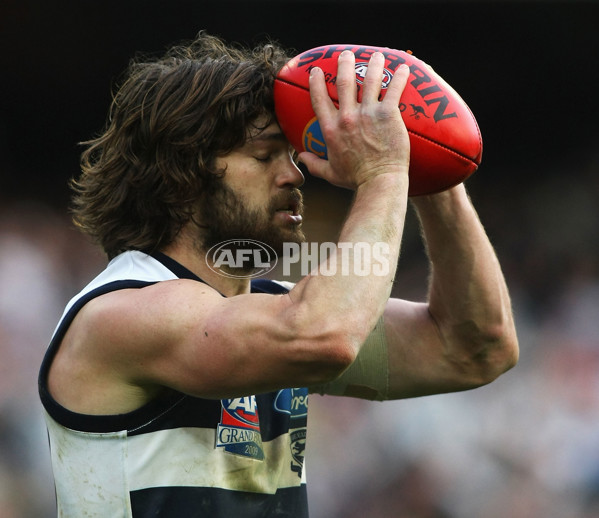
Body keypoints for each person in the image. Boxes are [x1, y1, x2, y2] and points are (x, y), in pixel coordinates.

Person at [38, 32, 518, 517]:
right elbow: (324, 335)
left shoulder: (269, 308)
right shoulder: (124, 311)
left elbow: (474, 349)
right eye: (265, 155)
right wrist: (383, 173)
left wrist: (426, 160)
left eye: (292, 154)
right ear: (181, 175)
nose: (294, 174)